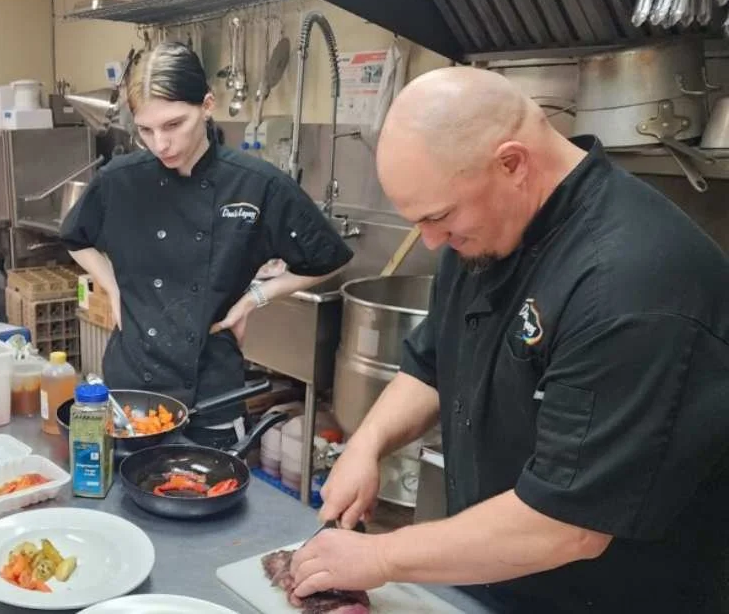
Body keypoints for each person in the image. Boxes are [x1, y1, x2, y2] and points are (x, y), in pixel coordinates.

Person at [290, 66, 729, 612]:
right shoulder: (487, 230)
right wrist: (367, 444)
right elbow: (432, 362)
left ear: (513, 163)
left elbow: (568, 524)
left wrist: (381, 557)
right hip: (497, 581)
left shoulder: (632, 286)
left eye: (439, 217)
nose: (432, 242)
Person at [60, 42, 354, 449]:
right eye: (146, 130)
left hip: (213, 388)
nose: (160, 144)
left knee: (210, 482)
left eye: (173, 124)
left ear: (207, 105)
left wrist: (253, 299)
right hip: (133, 385)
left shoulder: (256, 184)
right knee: (125, 483)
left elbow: (328, 257)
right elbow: (74, 238)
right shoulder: (119, 180)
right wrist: (112, 287)